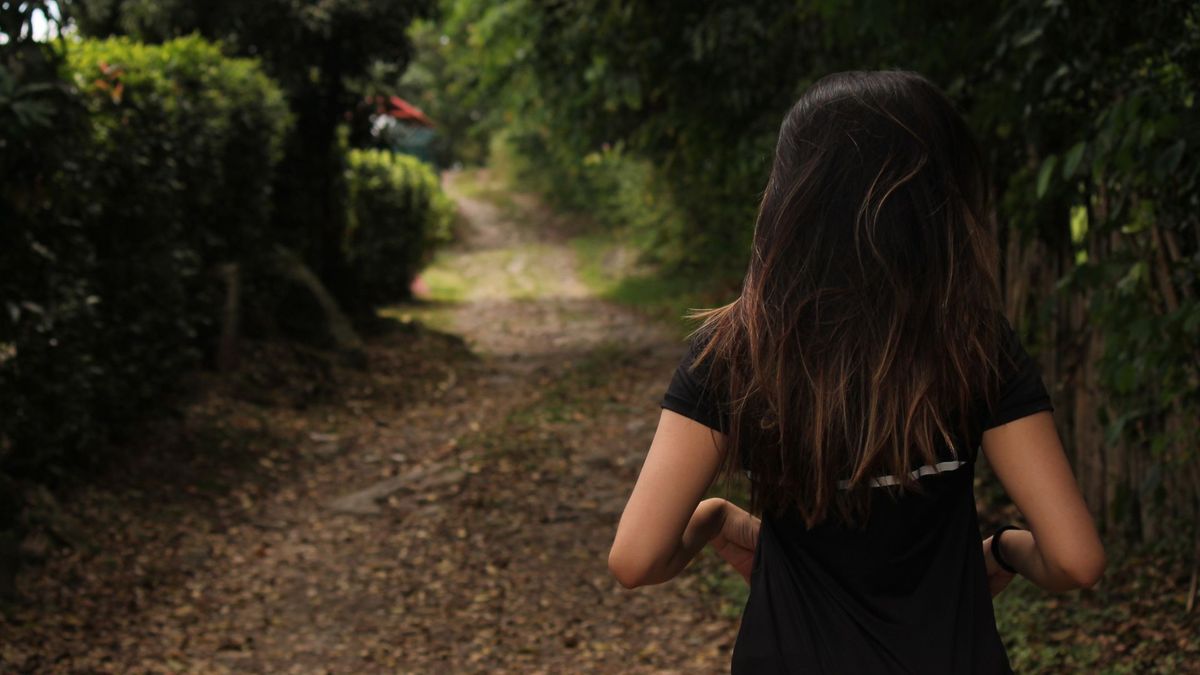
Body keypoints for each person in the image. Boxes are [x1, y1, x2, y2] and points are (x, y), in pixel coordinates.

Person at [607, 70, 1106, 674]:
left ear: (790, 195)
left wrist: (715, 515)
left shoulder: (736, 350)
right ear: (937, 200)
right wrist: (1001, 549)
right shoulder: (973, 346)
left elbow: (635, 561)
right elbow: (1076, 562)